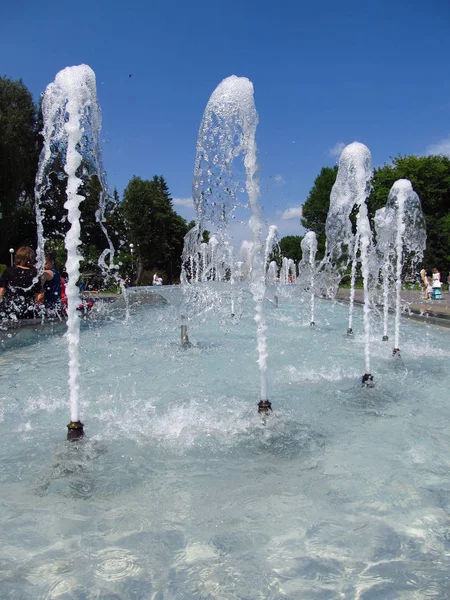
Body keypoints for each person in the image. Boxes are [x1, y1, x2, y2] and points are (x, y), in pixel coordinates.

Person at [0, 246, 41, 319]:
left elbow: (1, 290)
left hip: (9, 308)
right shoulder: (35, 273)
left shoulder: (9, 271)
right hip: (28, 309)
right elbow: (38, 295)